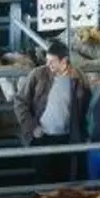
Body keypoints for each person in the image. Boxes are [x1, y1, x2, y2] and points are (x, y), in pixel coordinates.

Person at [13, 40, 88, 184]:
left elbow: (86, 105)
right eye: (47, 60)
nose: (48, 65)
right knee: (43, 180)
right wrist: (31, 127)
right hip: (42, 137)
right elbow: (20, 101)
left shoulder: (78, 78)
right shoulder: (38, 74)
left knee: (63, 182)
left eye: (52, 61)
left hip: (67, 138)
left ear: (64, 61)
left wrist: (82, 133)